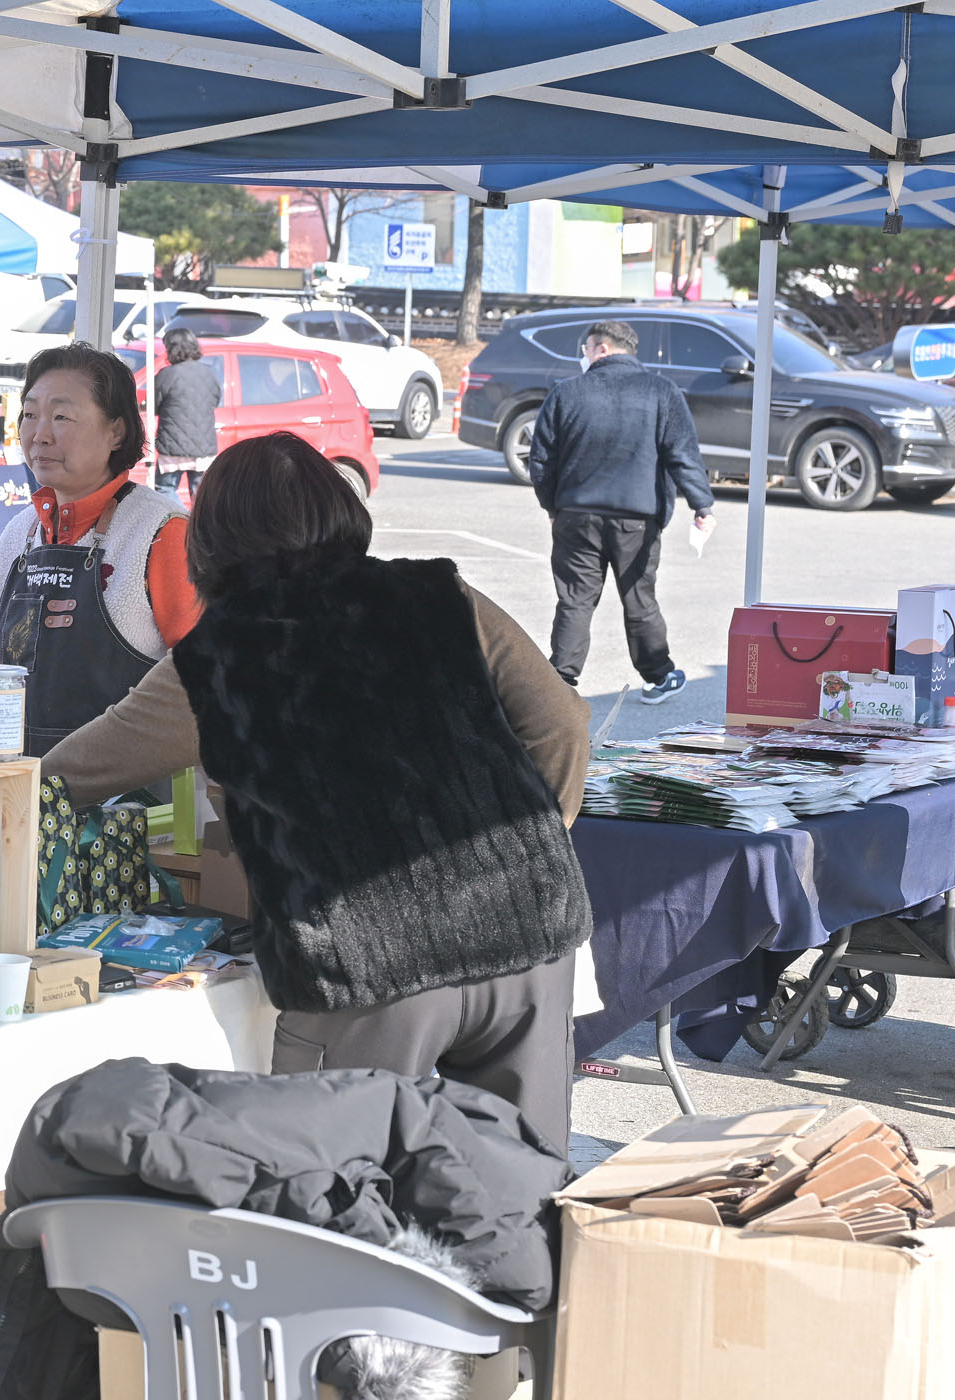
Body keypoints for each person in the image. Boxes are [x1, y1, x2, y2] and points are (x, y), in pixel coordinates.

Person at [41, 433, 594, 1152]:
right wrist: (531, 840)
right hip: (529, 938)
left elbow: (75, 771)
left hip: (370, 960)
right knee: (523, 1177)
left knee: (337, 1186)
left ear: (212, 540)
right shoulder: (441, 594)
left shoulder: (218, 656)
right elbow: (562, 721)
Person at [0, 343, 200, 756]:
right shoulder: (18, 533)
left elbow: (200, 670)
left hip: (131, 783)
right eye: (30, 414)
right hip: (22, 773)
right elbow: (0, 651)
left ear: (116, 431)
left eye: (61, 417)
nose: (40, 435)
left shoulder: (161, 531)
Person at [527, 318, 713, 703]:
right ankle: (659, 677)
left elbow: (541, 459)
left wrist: (552, 505)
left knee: (575, 599)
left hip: (576, 514)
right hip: (637, 518)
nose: (584, 356)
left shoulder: (566, 393)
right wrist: (701, 503)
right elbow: (682, 453)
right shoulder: (661, 392)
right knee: (639, 597)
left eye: (586, 349)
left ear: (602, 348)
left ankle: (560, 682)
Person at [151, 327, 220, 508]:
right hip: (204, 447)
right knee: (202, 495)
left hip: (172, 446)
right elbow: (216, 400)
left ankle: (182, 520)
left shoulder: (167, 375)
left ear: (171, 349)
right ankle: (198, 522)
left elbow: (153, 406)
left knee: (165, 489)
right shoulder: (209, 373)